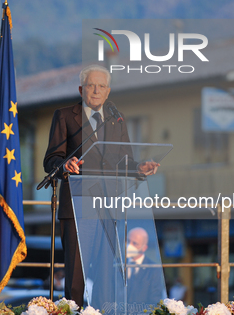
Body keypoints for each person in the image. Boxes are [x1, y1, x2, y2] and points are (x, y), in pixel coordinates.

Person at [43, 65, 158, 306]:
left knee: (107, 276)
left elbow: (124, 160)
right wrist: (65, 165)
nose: (96, 91)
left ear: (108, 92)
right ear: (81, 89)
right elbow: (51, 159)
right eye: (91, 86)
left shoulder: (116, 119)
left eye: (102, 86)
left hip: (110, 207)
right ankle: (73, 311)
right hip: (78, 206)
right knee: (76, 278)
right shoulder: (65, 116)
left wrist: (139, 168)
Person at [125, 227, 164, 304]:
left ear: (144, 248)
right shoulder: (116, 264)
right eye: (128, 241)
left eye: (135, 243)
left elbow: (155, 300)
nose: (129, 246)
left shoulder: (153, 269)